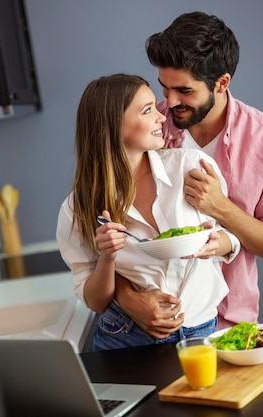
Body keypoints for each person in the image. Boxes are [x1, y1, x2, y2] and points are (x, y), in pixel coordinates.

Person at [115, 11, 263, 336]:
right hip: (146, 325)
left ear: (222, 83)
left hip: (228, 321)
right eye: (164, 88)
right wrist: (127, 298)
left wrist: (219, 206)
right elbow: (113, 228)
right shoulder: (147, 126)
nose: (170, 102)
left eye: (185, 91)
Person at [56, 74, 241, 351]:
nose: (162, 117)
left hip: (201, 331)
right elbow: (95, 301)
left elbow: (231, 235)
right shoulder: (78, 207)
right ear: (113, 124)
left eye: (155, 107)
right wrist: (107, 257)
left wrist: (216, 244)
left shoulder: (192, 167)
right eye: (147, 110)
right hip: (125, 337)